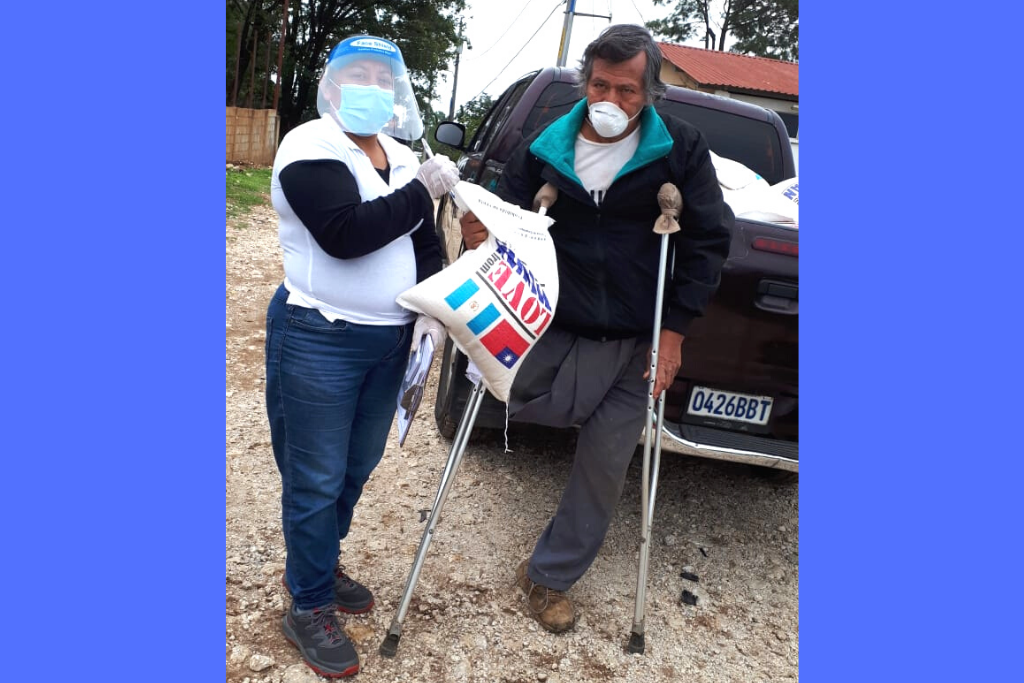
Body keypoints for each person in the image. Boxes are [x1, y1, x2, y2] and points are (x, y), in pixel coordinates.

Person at [460, 25, 734, 634]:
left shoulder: (680, 148)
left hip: (638, 335)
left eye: (629, 90)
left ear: (650, 92)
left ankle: (550, 575)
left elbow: (710, 240)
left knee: (606, 462)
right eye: (602, 84)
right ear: (586, 82)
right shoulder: (546, 145)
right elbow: (501, 210)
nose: (613, 100)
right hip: (554, 324)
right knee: (524, 400)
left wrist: (675, 333)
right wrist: (477, 227)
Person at [265, 35, 458, 677]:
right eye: (359, 73)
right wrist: (421, 189)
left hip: (389, 342)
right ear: (333, 83)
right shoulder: (310, 145)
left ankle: (318, 561)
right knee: (316, 476)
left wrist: (432, 306)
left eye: (384, 75)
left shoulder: (399, 155)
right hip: (321, 334)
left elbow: (425, 243)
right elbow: (346, 236)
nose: (372, 85)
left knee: (356, 466)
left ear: (399, 88)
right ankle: (309, 602)